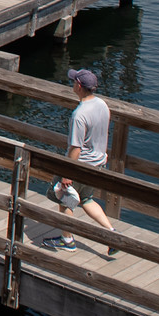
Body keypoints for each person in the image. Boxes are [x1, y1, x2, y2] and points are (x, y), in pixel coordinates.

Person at [45, 68, 118, 254]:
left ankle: (67, 240)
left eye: (73, 81)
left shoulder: (79, 115)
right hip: (98, 163)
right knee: (86, 199)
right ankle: (112, 234)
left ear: (79, 86)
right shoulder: (102, 105)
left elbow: (75, 148)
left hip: (81, 165)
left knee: (65, 198)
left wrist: (67, 174)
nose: (72, 84)